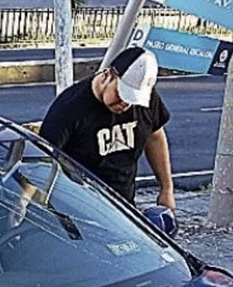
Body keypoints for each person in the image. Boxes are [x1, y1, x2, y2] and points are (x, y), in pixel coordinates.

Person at [39, 47, 176, 214]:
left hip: (123, 207)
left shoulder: (146, 101)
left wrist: (166, 189)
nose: (125, 105)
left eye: (132, 100)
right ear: (107, 76)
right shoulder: (69, 109)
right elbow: (42, 161)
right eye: (121, 95)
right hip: (78, 207)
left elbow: (155, 136)